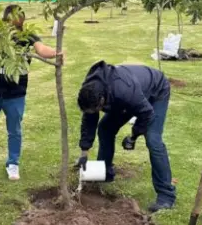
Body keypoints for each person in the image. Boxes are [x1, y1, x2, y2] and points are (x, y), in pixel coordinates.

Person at [0, 4, 61, 180]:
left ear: (22, 20)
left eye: (17, 20)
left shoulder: (27, 37)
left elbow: (41, 49)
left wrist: (56, 53)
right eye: (10, 20)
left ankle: (13, 164)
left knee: (14, 131)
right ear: (5, 19)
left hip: (15, 95)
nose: (14, 24)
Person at [74, 60, 175, 213]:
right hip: (128, 94)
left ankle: (166, 196)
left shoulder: (123, 91)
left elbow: (147, 114)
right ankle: (105, 172)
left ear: (102, 100)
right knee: (105, 128)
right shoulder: (90, 89)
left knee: (153, 140)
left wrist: (133, 136)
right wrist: (84, 152)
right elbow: (89, 118)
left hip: (156, 91)